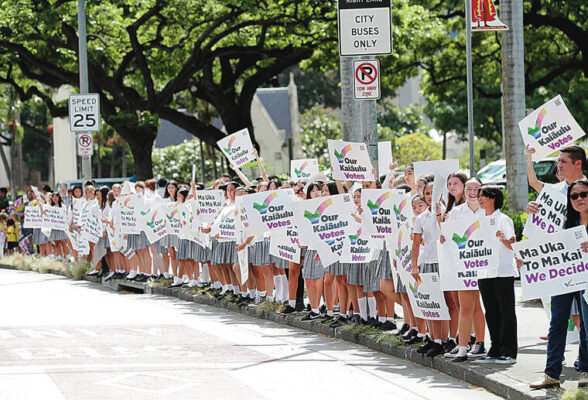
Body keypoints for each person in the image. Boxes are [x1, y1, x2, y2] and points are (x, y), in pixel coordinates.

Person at [528, 178, 588, 389]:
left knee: (587, 328)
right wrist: (532, 213)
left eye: (584, 194)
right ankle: (551, 374)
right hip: (565, 279)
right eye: (574, 196)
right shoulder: (564, 223)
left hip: (586, 283)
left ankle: (585, 372)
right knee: (557, 324)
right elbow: (543, 244)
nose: (579, 199)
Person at [475, 185, 518, 365]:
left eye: (482, 196)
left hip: (502, 271)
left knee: (506, 311)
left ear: (493, 198)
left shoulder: (503, 219)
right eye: (478, 196)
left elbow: (513, 245)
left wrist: (503, 239)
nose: (479, 199)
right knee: (491, 311)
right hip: (484, 270)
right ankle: (495, 347)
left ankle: (509, 350)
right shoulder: (478, 219)